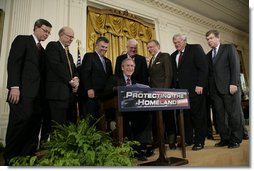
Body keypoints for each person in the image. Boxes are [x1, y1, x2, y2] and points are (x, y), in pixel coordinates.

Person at [4, 19, 52, 165]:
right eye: (45, 31)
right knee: (19, 124)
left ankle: (27, 157)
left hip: (37, 97)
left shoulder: (43, 51)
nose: (46, 34)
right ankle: (10, 157)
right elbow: (14, 63)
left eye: (49, 33)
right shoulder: (22, 40)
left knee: (33, 126)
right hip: (21, 93)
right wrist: (14, 86)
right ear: (36, 28)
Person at [105, 58, 153, 161]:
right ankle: (135, 149)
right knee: (127, 119)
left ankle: (142, 145)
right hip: (118, 111)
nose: (130, 68)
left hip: (134, 111)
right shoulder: (114, 79)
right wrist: (119, 89)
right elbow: (106, 91)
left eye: (132, 66)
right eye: (127, 65)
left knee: (147, 115)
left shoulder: (135, 81)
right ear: (122, 67)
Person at [205, 29, 243, 148]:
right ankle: (224, 138)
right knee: (219, 116)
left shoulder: (228, 48)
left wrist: (234, 83)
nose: (209, 41)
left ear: (218, 38)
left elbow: (235, 66)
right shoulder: (208, 55)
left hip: (229, 88)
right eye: (207, 39)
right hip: (215, 91)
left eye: (211, 38)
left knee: (233, 115)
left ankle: (236, 139)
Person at [171, 33, 208, 151]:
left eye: (178, 42)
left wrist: (200, 84)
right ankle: (188, 139)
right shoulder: (173, 56)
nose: (176, 44)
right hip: (181, 92)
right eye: (175, 42)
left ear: (185, 41)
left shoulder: (195, 48)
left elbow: (203, 67)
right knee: (185, 117)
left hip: (195, 89)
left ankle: (199, 141)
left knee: (197, 116)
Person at [45, 26, 79, 126]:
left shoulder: (69, 54)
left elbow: (74, 70)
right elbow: (57, 66)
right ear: (61, 35)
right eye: (69, 36)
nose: (71, 39)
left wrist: (76, 79)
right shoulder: (53, 46)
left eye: (73, 37)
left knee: (67, 126)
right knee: (56, 126)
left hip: (68, 96)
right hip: (57, 95)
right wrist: (71, 81)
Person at [147, 40, 176, 149]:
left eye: (152, 47)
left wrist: (165, 92)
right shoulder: (151, 61)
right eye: (148, 48)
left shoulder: (165, 56)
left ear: (158, 46)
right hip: (154, 95)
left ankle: (172, 142)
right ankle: (159, 141)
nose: (150, 49)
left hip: (164, 93)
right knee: (157, 119)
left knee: (168, 118)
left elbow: (169, 74)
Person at [79, 36, 113, 124]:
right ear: (96, 46)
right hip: (91, 95)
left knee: (101, 122)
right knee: (90, 120)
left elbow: (110, 78)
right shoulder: (89, 56)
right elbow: (85, 73)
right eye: (102, 46)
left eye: (106, 47)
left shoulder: (108, 61)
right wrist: (89, 88)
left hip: (104, 97)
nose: (104, 49)